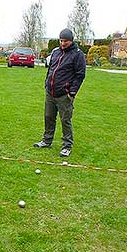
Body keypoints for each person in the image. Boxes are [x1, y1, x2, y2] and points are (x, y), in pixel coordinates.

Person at [34, 28, 86, 157]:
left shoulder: (77, 54)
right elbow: (51, 69)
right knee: (48, 117)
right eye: (61, 40)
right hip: (50, 92)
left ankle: (67, 146)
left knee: (65, 120)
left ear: (71, 40)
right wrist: (47, 83)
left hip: (64, 94)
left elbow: (80, 75)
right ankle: (47, 141)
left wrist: (72, 93)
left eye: (66, 41)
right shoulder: (56, 52)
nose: (63, 43)